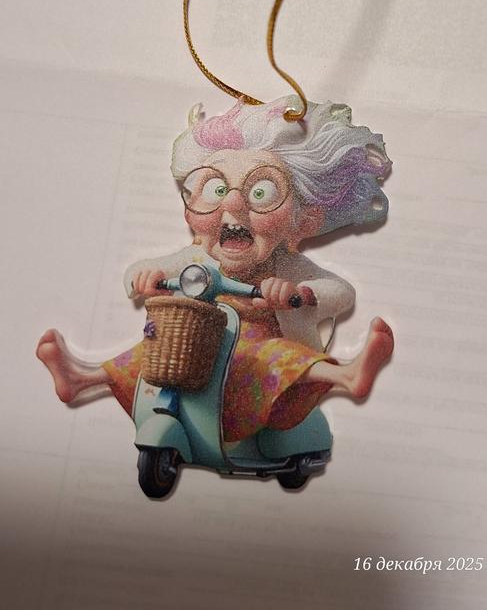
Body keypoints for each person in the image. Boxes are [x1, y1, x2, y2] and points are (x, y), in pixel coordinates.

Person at [37, 97, 395, 442]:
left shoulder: (285, 265)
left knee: (279, 357)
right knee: (150, 350)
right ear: (191, 209)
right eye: (217, 189)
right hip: (195, 348)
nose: (233, 204)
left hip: (259, 361)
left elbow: (341, 292)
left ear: (303, 221)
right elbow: (141, 270)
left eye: (261, 193)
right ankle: (83, 379)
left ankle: (345, 375)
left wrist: (300, 295)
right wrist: (143, 278)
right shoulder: (197, 259)